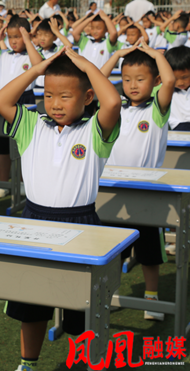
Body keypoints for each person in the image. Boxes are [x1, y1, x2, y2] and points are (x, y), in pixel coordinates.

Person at [0, 48, 121, 371]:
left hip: (82, 224)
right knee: (31, 303)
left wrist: (85, 64)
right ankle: (28, 363)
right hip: (34, 221)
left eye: (65, 96)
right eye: (49, 95)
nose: (55, 103)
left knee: (82, 306)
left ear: (87, 96)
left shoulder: (93, 131)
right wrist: (37, 70)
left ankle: (82, 362)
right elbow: (2, 101)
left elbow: (113, 103)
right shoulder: (31, 125)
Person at [100, 42, 175, 322]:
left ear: (153, 81)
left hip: (147, 192)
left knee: (149, 252)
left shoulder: (157, 109)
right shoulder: (115, 107)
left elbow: (169, 79)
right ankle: (107, 296)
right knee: (112, 248)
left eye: (140, 79)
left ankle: (152, 298)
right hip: (114, 190)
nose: (132, 85)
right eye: (127, 79)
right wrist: (117, 55)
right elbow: (97, 81)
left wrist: (156, 55)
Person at [0, 16, 43, 199]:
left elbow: (40, 66)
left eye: (18, 36)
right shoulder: (3, 55)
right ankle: (4, 183)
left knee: (24, 146)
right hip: (3, 101)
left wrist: (28, 40)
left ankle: (22, 182)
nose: (13, 41)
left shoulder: (31, 55)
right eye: (10, 37)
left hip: (25, 101)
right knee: (3, 147)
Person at [166, 46, 190, 131]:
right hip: (178, 129)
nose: (180, 83)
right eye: (175, 79)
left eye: (185, 77)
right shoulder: (166, 90)